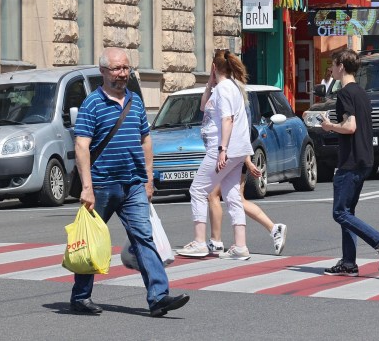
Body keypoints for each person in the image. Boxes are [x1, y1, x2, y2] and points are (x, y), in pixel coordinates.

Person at [71, 47, 189, 317]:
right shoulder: (92, 104)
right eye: (116, 69)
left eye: (126, 68)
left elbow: (146, 141)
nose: (122, 74)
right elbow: (81, 145)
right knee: (91, 242)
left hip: (133, 184)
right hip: (101, 186)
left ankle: (158, 297)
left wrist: (149, 179)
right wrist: (86, 187)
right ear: (103, 71)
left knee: (143, 238)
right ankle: (80, 297)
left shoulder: (135, 101)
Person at [320, 49, 379, 276]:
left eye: (333, 65)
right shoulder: (362, 93)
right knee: (348, 212)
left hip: (350, 160)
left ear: (341, 66)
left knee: (340, 213)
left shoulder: (344, 94)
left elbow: (350, 126)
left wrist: (329, 126)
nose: (330, 69)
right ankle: (348, 263)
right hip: (365, 158)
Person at [176, 49, 254, 260]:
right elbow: (203, 106)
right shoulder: (229, 88)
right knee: (231, 194)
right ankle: (240, 246)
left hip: (224, 149)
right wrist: (210, 84)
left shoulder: (224, 90)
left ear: (214, 67)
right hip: (238, 150)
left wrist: (222, 150)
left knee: (198, 190)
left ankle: (200, 242)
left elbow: (227, 120)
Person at [205, 155, 287, 255]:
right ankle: (274, 229)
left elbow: (243, 139)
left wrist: (248, 161)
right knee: (238, 199)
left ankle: (215, 242)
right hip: (237, 157)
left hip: (233, 157)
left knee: (214, 195)